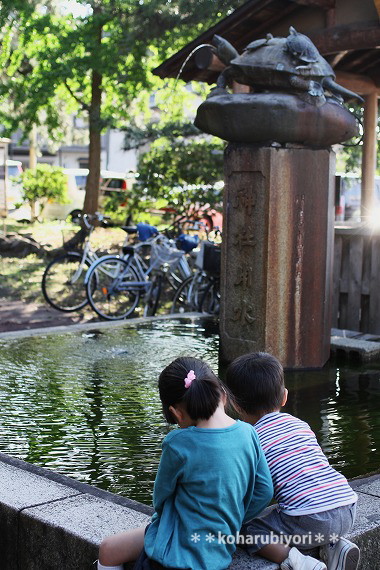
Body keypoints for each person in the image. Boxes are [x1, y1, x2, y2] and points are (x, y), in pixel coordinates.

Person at [97, 356, 274, 570]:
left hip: (173, 555)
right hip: (219, 554)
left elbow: (161, 498)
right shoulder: (249, 433)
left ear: (176, 413)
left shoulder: (178, 443)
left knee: (108, 549)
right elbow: (264, 491)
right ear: (223, 395)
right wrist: (232, 519)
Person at [225, 352, 360, 570]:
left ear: (236, 406)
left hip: (310, 520)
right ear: (284, 397)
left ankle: (298, 561)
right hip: (347, 505)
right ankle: (334, 545)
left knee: (246, 531)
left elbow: (257, 491)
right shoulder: (300, 424)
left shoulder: (249, 440)